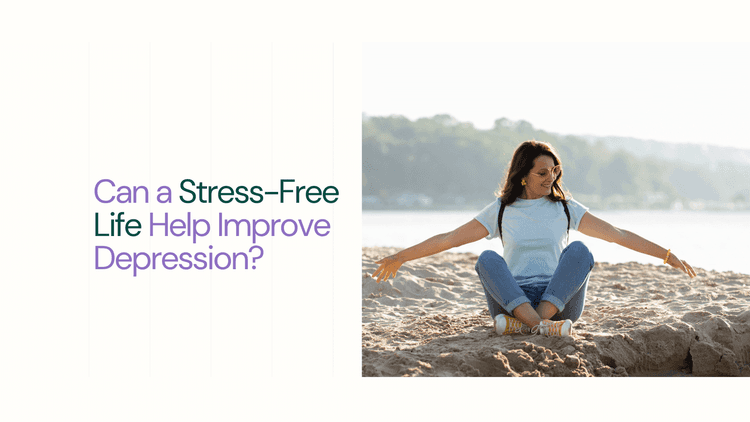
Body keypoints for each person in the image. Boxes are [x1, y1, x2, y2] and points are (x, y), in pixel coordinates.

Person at [372, 140, 696, 337]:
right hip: (514, 299)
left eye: (554, 172)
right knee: (486, 259)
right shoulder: (501, 210)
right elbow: (450, 238)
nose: (550, 178)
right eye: (542, 173)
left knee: (581, 250)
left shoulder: (566, 209)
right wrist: (400, 257)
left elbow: (618, 234)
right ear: (523, 175)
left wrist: (666, 255)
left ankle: (531, 324)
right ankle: (537, 325)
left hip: (559, 302)